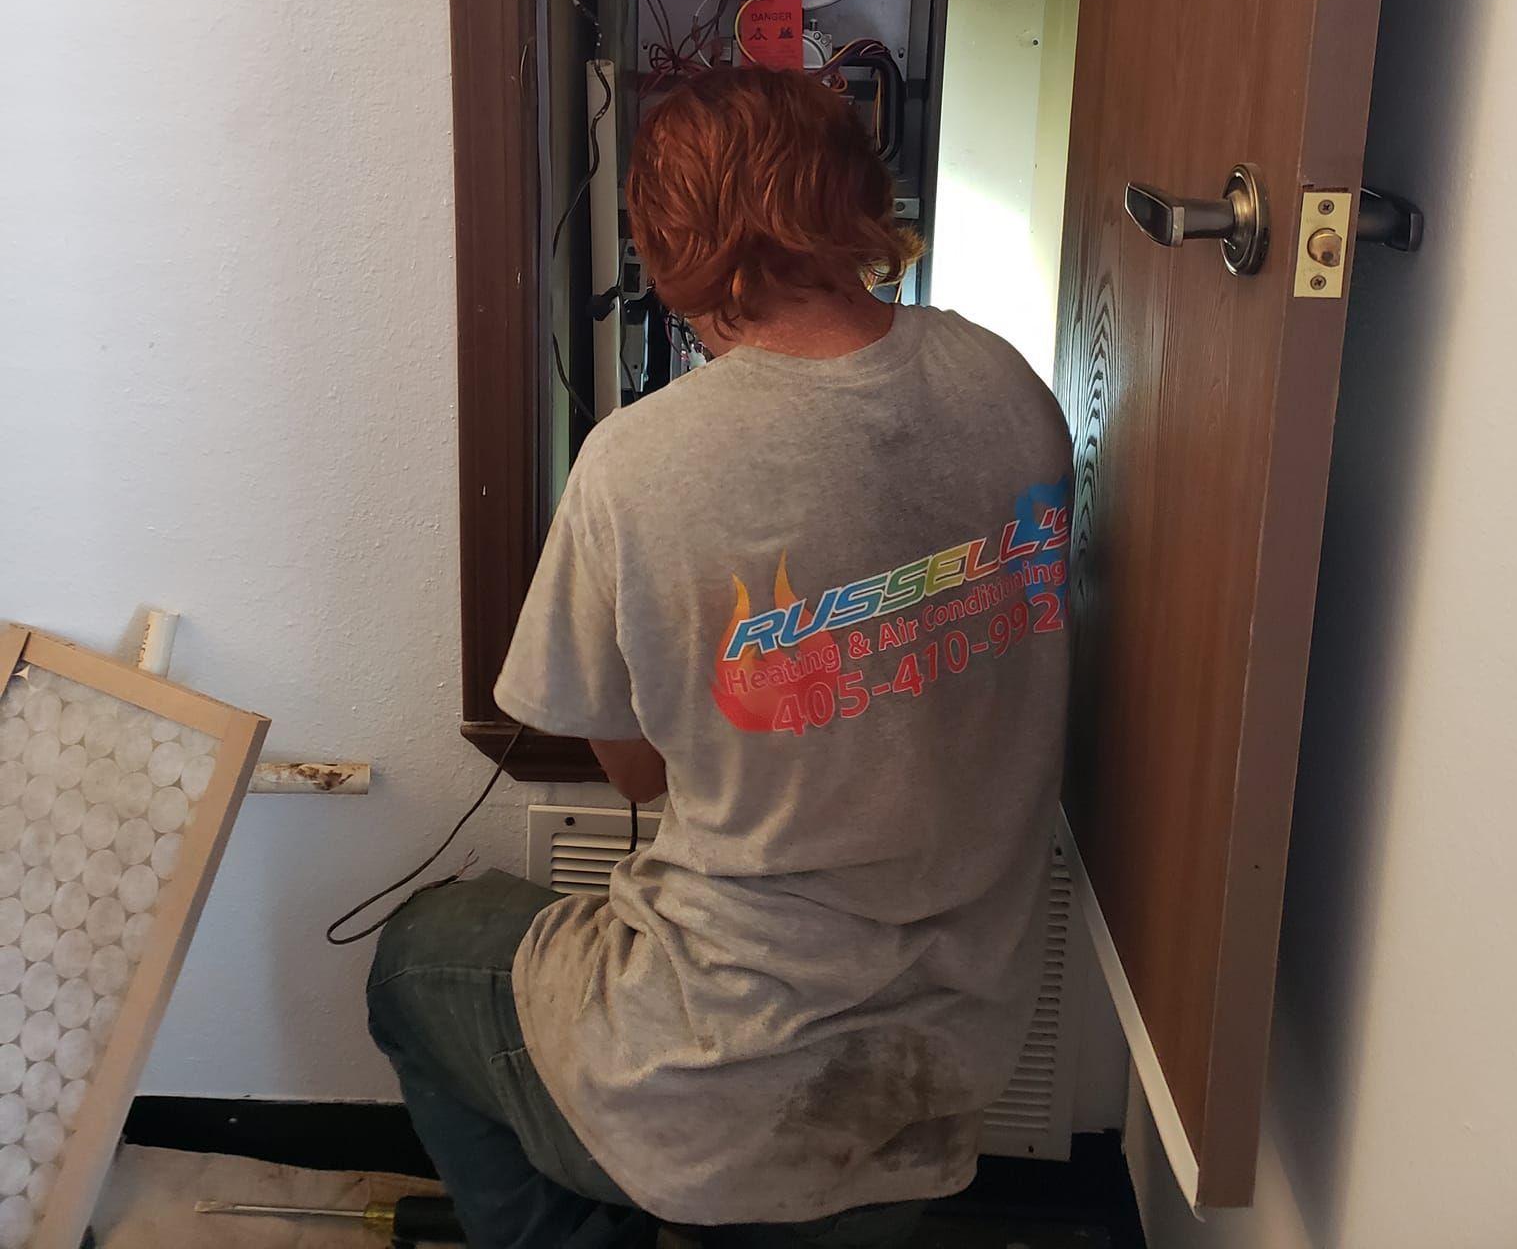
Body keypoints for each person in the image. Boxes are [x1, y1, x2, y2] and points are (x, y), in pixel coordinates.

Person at [368, 66, 1073, 1249]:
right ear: (860, 193)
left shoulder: (637, 461)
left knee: (412, 962)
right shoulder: (1011, 385)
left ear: (666, 241)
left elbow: (636, 770)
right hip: (944, 1060)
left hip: (720, 1067)